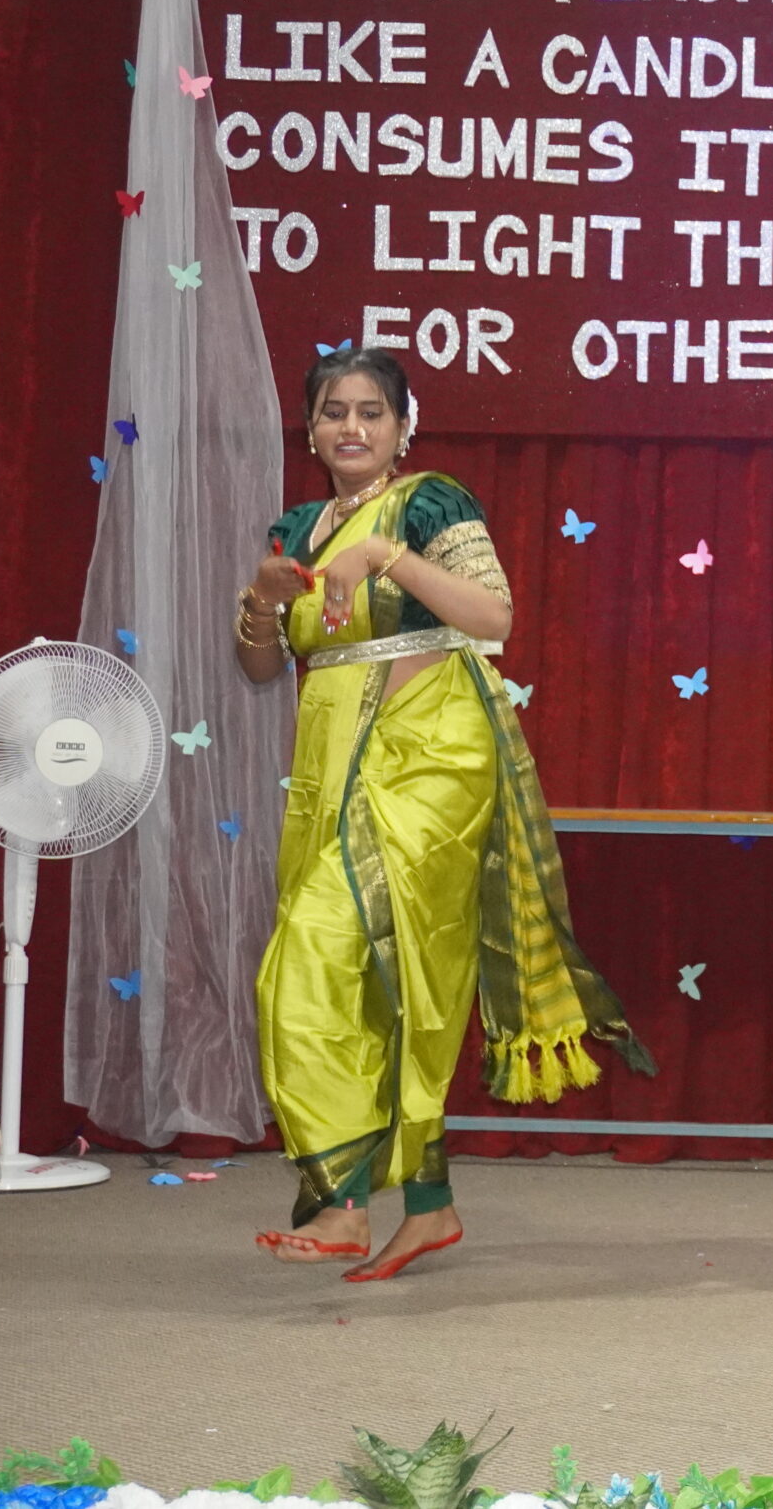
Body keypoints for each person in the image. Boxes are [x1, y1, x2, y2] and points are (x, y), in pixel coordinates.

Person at [236, 347, 651, 1282]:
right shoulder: (298, 528)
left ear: (403, 426)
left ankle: (344, 1203)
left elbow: (493, 618)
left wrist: (386, 555)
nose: (352, 427)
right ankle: (428, 1206)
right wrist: (262, 603)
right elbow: (265, 666)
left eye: (371, 411)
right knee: (389, 977)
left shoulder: (430, 504)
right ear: (310, 429)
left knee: (318, 951)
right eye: (334, 411)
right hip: (331, 770)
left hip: (430, 759)